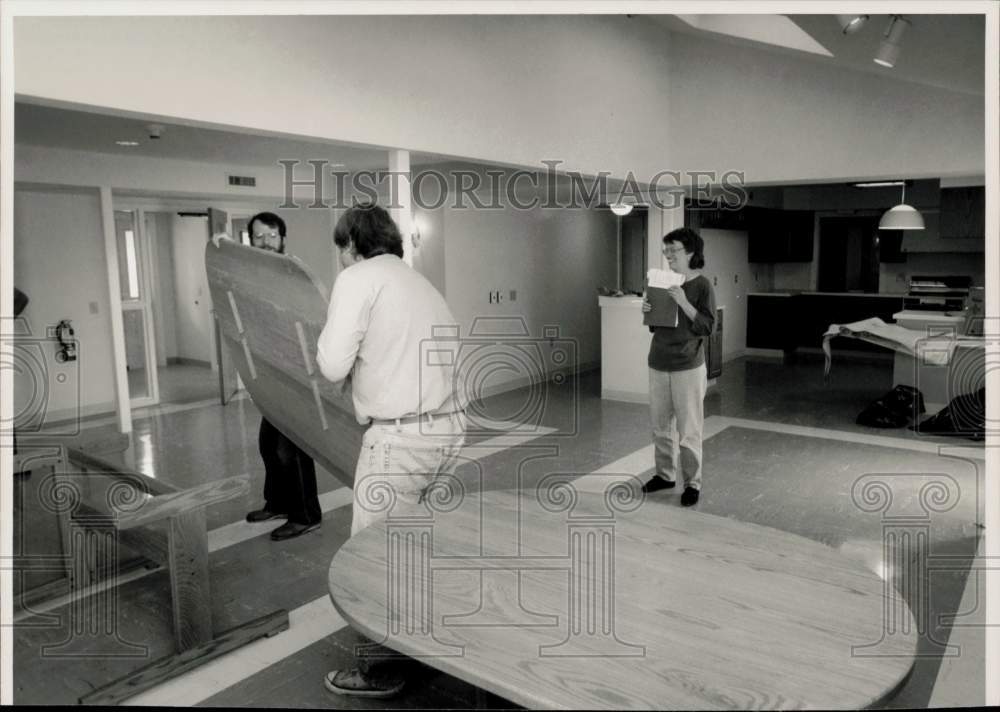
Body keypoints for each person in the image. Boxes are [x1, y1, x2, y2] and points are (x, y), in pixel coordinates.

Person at [315, 203, 466, 699]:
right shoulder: (418, 282)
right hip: (446, 431)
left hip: (400, 441)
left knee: (375, 556)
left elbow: (333, 364)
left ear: (352, 245)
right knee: (415, 547)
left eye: (341, 249)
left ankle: (381, 669)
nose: (340, 258)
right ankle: (422, 645)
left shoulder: (359, 278)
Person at [237, 212, 323, 541]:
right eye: (259, 237)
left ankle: (306, 515)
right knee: (269, 446)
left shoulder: (293, 274)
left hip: (297, 376)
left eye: (272, 236)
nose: (266, 242)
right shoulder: (253, 274)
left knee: (292, 449)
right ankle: (278, 503)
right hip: (272, 375)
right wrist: (219, 243)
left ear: (283, 239)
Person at [641, 227, 716, 507]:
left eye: (673, 250)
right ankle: (664, 475)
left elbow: (708, 326)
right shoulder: (662, 282)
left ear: (691, 253)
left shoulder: (702, 285)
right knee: (660, 426)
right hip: (658, 361)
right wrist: (649, 311)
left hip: (688, 366)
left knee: (689, 430)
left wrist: (683, 302)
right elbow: (656, 328)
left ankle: (692, 483)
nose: (668, 255)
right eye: (666, 250)